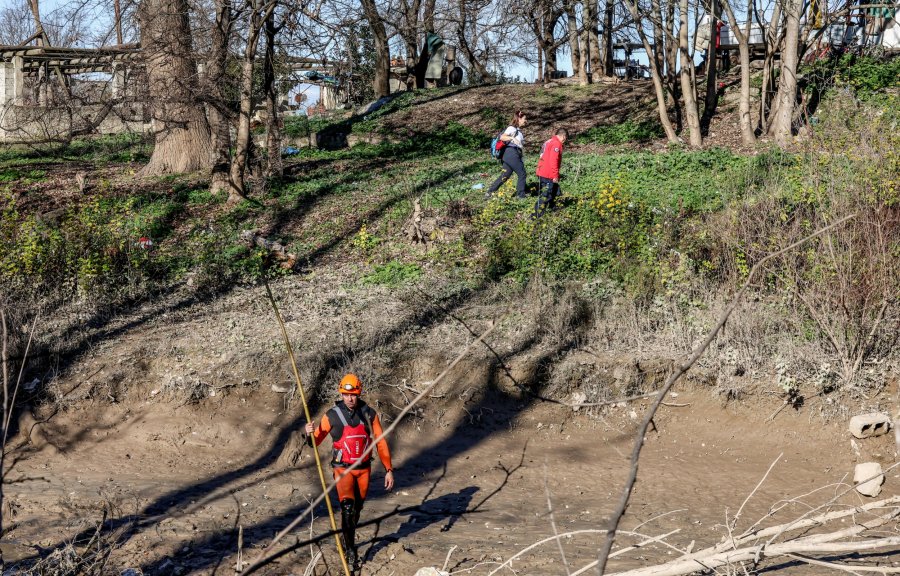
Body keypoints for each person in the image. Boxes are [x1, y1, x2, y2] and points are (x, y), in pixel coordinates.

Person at [305, 374, 394, 566]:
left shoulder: (370, 414)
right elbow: (315, 442)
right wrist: (309, 434)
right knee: (347, 508)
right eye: (346, 395)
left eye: (353, 394)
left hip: (364, 470)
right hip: (342, 470)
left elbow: (381, 442)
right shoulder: (332, 415)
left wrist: (388, 469)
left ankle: (346, 540)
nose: (350, 398)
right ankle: (350, 550)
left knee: (356, 510)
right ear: (341, 394)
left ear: (359, 393)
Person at [485, 110, 528, 201]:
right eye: (524, 119)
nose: (526, 121)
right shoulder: (512, 128)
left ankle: (489, 193)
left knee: (504, 176)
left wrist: (521, 157)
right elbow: (502, 137)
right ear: (519, 119)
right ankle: (521, 196)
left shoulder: (518, 130)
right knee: (522, 174)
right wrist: (512, 138)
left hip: (512, 154)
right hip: (511, 153)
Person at [532, 127, 567, 219]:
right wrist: (555, 175)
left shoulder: (548, 141)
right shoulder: (556, 144)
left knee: (556, 192)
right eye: (565, 138)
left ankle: (554, 214)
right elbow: (553, 160)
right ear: (563, 136)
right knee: (546, 195)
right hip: (548, 173)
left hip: (542, 171)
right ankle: (534, 218)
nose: (565, 141)